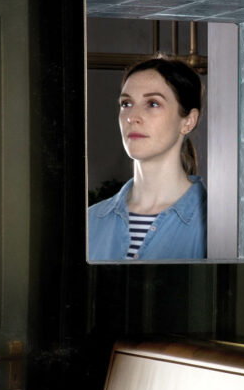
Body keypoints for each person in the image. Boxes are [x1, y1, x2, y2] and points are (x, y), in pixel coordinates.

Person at [88, 56, 206, 261]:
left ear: (188, 121)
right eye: (126, 103)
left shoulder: (216, 223)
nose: (132, 117)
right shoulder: (90, 221)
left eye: (152, 103)